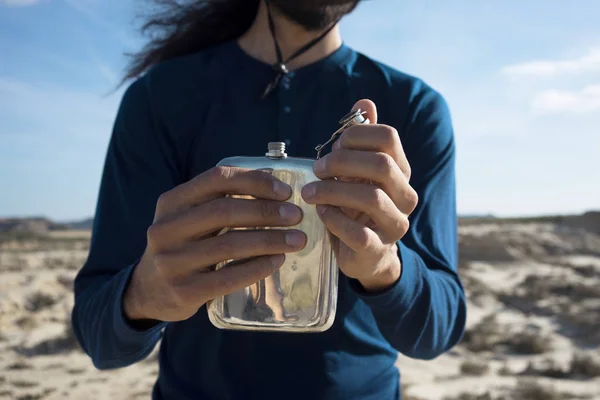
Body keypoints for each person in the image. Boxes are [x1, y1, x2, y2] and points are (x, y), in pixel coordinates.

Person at [71, 0, 467, 399]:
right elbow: (99, 337)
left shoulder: (413, 108)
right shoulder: (161, 97)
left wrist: (387, 268)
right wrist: (142, 295)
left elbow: (436, 334)